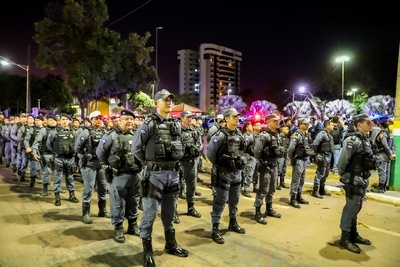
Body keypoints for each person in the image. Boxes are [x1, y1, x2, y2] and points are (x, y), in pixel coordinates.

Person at [131, 89, 189, 266]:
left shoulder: (176, 124)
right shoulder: (149, 123)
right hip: (155, 174)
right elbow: (136, 149)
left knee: (170, 212)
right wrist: (150, 164)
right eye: (165, 100)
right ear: (157, 103)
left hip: (173, 173)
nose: (169, 102)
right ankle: (147, 250)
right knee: (149, 213)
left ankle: (170, 244)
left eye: (171, 99)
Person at [97, 109, 142, 243]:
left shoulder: (137, 135)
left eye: (131, 119)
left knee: (134, 201)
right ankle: (118, 228)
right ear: (119, 121)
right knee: (118, 202)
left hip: (135, 175)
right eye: (126, 119)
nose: (129, 121)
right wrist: (106, 167)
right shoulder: (111, 135)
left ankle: (132, 226)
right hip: (119, 175)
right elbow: (100, 153)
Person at [207, 107, 246, 244]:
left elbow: (242, 151)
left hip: (237, 173)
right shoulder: (220, 135)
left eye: (237, 116)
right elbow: (210, 154)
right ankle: (215, 228)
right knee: (220, 201)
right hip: (224, 173)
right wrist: (220, 165)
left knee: (234, 200)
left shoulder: (239, 134)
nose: (237, 118)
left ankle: (232, 222)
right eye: (234, 116)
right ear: (227, 118)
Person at [337, 113, 376, 254]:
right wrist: (341, 173)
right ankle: (345, 238)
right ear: (359, 124)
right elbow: (343, 160)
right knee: (351, 207)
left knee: (357, 207)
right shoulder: (352, 140)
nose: (371, 124)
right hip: (354, 179)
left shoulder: (365, 139)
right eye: (368, 122)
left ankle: (353, 234)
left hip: (362, 179)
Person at [75, 110, 110, 224]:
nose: (99, 120)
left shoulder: (105, 132)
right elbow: (77, 148)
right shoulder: (86, 132)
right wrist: (84, 157)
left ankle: (102, 210)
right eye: (96, 118)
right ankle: (85, 213)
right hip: (89, 165)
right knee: (89, 188)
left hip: (101, 165)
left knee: (103, 188)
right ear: (91, 120)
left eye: (100, 118)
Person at [252, 114, 284, 224]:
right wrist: (261, 163)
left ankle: (269, 209)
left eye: (278, 121)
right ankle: (257, 212)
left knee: (272, 189)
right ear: (269, 122)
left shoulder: (277, 135)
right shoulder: (264, 135)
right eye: (275, 121)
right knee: (263, 190)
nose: (277, 122)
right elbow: (257, 152)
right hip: (265, 166)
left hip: (274, 165)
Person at [46, 113, 79, 206]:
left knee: (70, 177)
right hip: (59, 158)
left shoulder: (73, 132)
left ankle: (72, 195)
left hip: (70, 158)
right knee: (57, 177)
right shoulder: (54, 132)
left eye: (66, 119)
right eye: (63, 119)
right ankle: (57, 197)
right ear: (59, 121)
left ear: (69, 121)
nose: (65, 121)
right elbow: (49, 144)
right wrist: (55, 152)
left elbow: (76, 144)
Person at [177, 110, 203, 222]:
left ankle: (190, 207)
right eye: (187, 117)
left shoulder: (194, 131)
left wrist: (197, 149)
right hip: (181, 162)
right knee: (177, 188)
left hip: (192, 162)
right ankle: (173, 211)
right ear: (182, 118)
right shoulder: (177, 131)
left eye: (191, 117)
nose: (190, 119)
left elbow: (200, 144)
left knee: (191, 186)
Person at [287, 117, 313, 208]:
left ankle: (299, 195)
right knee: (296, 179)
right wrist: (292, 158)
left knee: (302, 179)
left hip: (304, 159)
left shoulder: (305, 135)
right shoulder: (296, 135)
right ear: (300, 124)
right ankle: (293, 198)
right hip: (298, 159)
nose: (307, 126)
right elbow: (290, 149)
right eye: (305, 124)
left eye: (307, 124)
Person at [32, 114, 58, 196]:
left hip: (58, 155)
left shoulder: (59, 130)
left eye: (54, 120)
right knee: (46, 172)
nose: (52, 122)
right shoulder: (44, 130)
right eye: (50, 120)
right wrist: (34, 153)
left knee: (58, 173)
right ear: (47, 121)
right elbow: (36, 142)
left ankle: (58, 189)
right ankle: (45, 188)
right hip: (46, 154)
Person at [370, 118, 396, 193]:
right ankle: (384, 186)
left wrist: (390, 153)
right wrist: (392, 153)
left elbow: (385, 144)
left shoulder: (383, 133)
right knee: (386, 171)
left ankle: (381, 187)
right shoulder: (390, 133)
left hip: (382, 154)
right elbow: (393, 145)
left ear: (380, 125)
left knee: (382, 171)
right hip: (387, 155)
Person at [311, 119, 334, 198]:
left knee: (325, 174)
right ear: (327, 125)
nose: (333, 126)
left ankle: (321, 189)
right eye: (331, 125)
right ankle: (315, 190)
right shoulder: (322, 133)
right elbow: (315, 143)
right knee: (320, 174)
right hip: (322, 156)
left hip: (328, 156)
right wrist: (315, 152)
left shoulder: (328, 134)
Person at [240, 121, 257, 197]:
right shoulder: (246, 136)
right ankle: (246, 189)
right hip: (248, 156)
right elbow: (244, 148)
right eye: (250, 126)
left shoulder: (252, 135)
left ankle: (251, 187)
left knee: (252, 173)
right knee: (248, 173)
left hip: (253, 156)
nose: (251, 127)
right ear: (246, 128)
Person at [276, 123, 290, 190]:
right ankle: (276, 183)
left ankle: (282, 182)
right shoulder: (278, 137)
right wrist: (284, 149)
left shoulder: (287, 138)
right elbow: (278, 146)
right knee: (279, 169)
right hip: (280, 156)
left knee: (284, 170)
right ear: (282, 129)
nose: (288, 130)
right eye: (286, 129)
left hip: (285, 156)